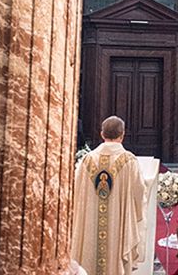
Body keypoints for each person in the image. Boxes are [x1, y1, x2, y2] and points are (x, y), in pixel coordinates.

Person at [72, 116, 147, 275]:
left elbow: (76, 192)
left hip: (90, 224)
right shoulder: (129, 161)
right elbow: (139, 192)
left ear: (101, 134)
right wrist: (137, 214)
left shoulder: (87, 160)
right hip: (117, 224)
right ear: (122, 135)